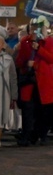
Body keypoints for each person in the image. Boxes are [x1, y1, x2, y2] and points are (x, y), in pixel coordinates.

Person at [15, 16, 53, 146]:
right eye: (32, 27)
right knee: (28, 109)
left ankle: (39, 134)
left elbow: (51, 58)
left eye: (37, 27)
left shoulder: (49, 42)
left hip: (43, 82)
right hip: (29, 80)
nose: (34, 30)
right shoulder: (25, 41)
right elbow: (19, 61)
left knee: (43, 110)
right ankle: (26, 135)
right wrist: (26, 63)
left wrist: (39, 49)